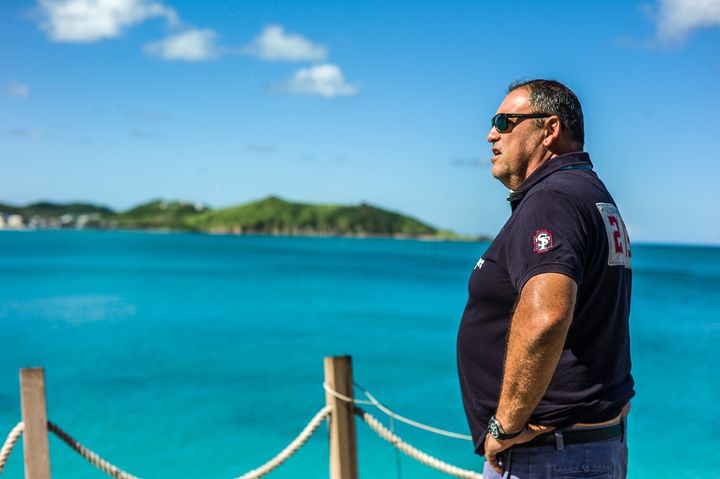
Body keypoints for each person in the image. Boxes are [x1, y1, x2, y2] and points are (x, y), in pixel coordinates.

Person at [456, 79, 634, 479]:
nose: (491, 134)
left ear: (549, 129)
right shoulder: (589, 194)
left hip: (549, 457)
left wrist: (505, 426)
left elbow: (546, 317)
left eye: (504, 121)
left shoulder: (552, 199)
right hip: (587, 448)